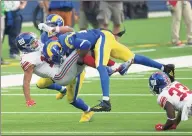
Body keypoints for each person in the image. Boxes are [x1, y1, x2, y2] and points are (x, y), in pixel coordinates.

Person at [42, 28, 175, 112]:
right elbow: (71, 30)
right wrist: (56, 28)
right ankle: (165, 68)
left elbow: (86, 45)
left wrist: (81, 58)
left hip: (101, 38)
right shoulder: (61, 39)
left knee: (100, 66)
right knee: (132, 57)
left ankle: (106, 100)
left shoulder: (67, 42)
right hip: (104, 35)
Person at [15, 32, 94, 122]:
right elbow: (26, 82)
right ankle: (65, 91)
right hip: (58, 71)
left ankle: (88, 111)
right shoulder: (28, 60)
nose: (36, 42)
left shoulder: (40, 44)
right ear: (26, 47)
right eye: (33, 42)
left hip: (70, 69)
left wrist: (54, 30)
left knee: (71, 99)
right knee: (40, 84)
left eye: (35, 40)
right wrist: (28, 99)